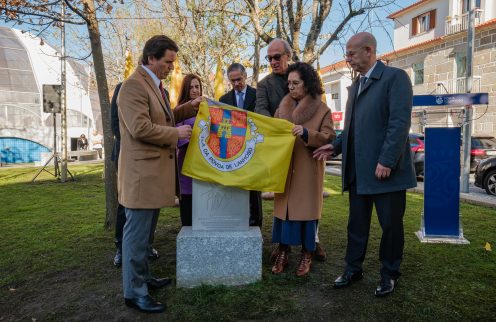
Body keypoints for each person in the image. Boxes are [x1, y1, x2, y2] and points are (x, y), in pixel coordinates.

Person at [313, 32, 416, 297]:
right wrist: (334, 146)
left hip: (386, 173)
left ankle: (389, 274)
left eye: (351, 54)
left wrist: (386, 160)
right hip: (359, 171)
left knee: (391, 227)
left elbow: (399, 123)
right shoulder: (356, 85)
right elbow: (353, 129)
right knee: (356, 225)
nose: (347, 59)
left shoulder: (395, 78)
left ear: (369, 51)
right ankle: (352, 269)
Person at [118, 35, 197, 313]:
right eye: (168, 62)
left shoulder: (155, 86)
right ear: (151, 58)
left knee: (145, 238)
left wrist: (189, 108)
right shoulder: (132, 87)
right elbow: (140, 128)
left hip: (152, 178)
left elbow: (163, 117)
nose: (171, 68)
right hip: (141, 178)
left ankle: (143, 278)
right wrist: (175, 135)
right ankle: (134, 292)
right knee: (136, 238)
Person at [256, 38, 327, 261]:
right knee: (284, 202)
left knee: (309, 201)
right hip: (284, 152)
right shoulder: (265, 84)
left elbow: (322, 118)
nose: (272, 61)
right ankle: (283, 246)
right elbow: (261, 111)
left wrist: (309, 134)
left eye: (277, 57)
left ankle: (312, 243)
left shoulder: (307, 79)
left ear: (288, 55)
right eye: (269, 58)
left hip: (307, 154)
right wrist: (278, 128)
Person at [271, 62, 335, 276]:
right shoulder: (282, 108)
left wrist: (307, 133)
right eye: (288, 83)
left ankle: (307, 254)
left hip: (308, 171)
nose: (290, 87)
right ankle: (283, 251)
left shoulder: (323, 109)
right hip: (285, 170)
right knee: (284, 213)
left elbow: (329, 138)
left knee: (307, 215)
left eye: (295, 83)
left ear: (307, 84)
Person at [110, 82, 160, 268]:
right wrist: (135, 145)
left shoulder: (159, 89)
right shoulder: (125, 87)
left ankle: (146, 244)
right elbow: (115, 123)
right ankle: (121, 248)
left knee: (152, 203)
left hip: (153, 157)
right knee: (126, 203)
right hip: (128, 155)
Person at [219, 63, 263, 227]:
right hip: (233, 151)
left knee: (253, 189)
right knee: (235, 188)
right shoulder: (223, 100)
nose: (237, 83)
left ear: (245, 76)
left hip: (253, 149)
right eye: (233, 81)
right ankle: (236, 221)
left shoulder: (258, 95)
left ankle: (256, 223)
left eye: (239, 79)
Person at [175, 74, 205, 226]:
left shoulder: (208, 108)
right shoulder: (180, 110)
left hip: (206, 166)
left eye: (197, 86)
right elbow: (180, 139)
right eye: (191, 87)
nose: (194, 90)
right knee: (188, 208)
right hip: (187, 164)